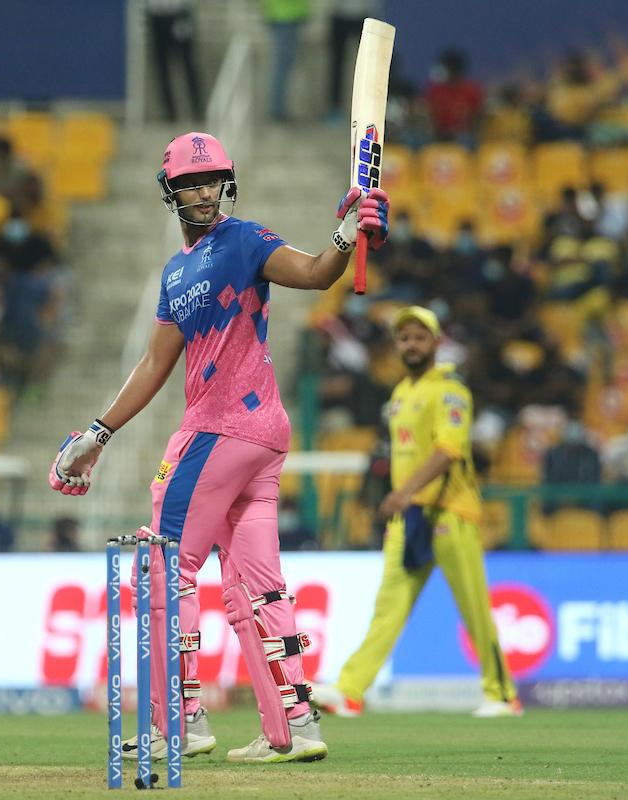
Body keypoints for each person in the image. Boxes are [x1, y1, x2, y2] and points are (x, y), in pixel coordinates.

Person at [49, 131, 389, 763]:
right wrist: (97, 433)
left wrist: (346, 234)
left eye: (211, 181)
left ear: (225, 185)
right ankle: (293, 726)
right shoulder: (175, 273)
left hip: (221, 427)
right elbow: (154, 363)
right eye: (189, 185)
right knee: (253, 587)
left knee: (161, 566)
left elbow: (316, 274)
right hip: (256, 437)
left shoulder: (244, 240)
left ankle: (177, 721)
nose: (203, 193)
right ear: (171, 193)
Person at [312, 307, 520, 719]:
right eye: (404, 338)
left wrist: (404, 492)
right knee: (388, 607)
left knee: (474, 606)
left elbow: (449, 449)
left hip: (448, 512)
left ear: (436, 343)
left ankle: (502, 694)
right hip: (408, 518)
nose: (411, 344)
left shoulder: (449, 391)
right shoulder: (400, 395)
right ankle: (350, 690)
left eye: (419, 337)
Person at [145, 0, 204, 122]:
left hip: (179, 14)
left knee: (188, 65)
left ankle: (197, 109)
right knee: (161, 68)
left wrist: (184, 16)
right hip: (156, 16)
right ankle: (169, 112)